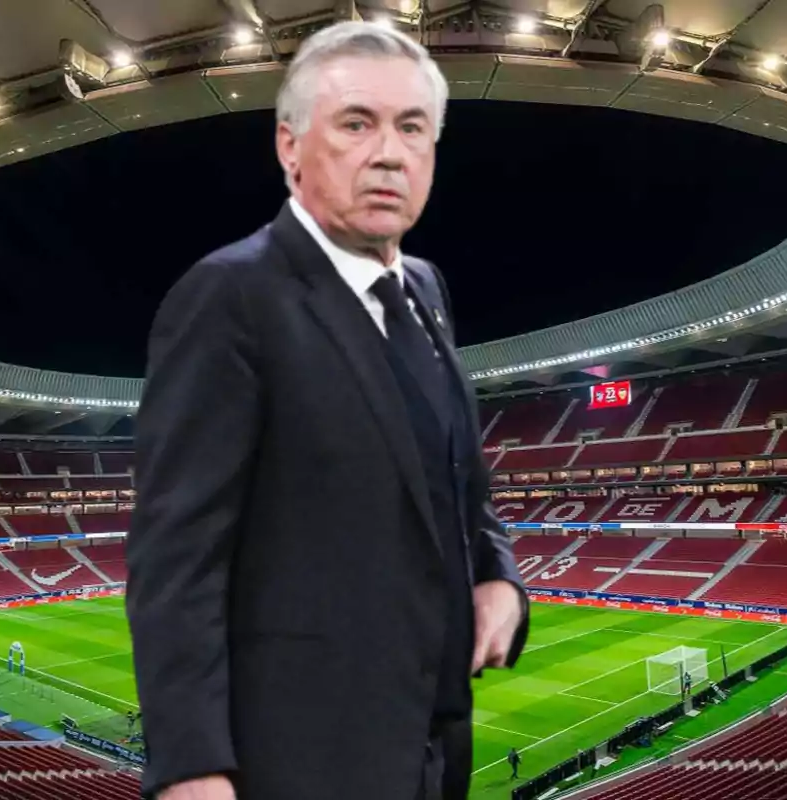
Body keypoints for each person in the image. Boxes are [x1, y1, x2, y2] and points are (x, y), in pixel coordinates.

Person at [126, 20, 528, 800]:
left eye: (413, 128)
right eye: (356, 124)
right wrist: (190, 766)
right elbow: (177, 554)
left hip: (433, 746)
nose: (389, 153)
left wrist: (498, 576)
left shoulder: (428, 291)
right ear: (289, 147)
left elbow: (456, 485)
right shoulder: (230, 297)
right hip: (301, 761)